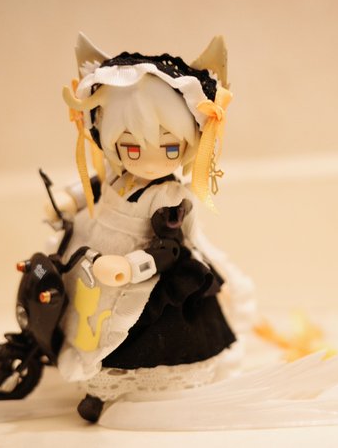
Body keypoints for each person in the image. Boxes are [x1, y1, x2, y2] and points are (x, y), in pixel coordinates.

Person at [55, 33, 237, 423]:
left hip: (140, 274)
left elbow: (169, 248)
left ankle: (120, 388)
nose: (150, 161)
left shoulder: (168, 196)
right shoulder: (118, 177)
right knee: (83, 315)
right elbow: (98, 187)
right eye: (132, 149)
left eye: (170, 148)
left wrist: (131, 266)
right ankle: (84, 374)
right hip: (95, 255)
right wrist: (70, 199)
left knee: (131, 331)